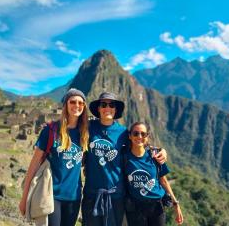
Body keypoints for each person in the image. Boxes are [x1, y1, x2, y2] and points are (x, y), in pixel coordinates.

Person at [81, 92, 167, 226]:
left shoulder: (123, 132)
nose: (107, 108)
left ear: (115, 109)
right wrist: (52, 127)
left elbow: (140, 146)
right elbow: (70, 130)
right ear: (98, 108)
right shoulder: (89, 127)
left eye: (111, 105)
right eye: (103, 104)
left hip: (116, 195)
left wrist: (161, 151)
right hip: (93, 194)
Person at [19, 88, 89, 226]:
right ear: (66, 105)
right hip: (52, 195)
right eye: (73, 102)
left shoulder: (85, 133)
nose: (77, 106)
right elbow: (33, 165)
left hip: (74, 197)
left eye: (80, 103)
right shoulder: (51, 131)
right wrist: (24, 197)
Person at [124, 122, 183, 226]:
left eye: (143, 134)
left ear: (147, 136)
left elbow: (163, 181)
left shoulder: (155, 155)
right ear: (129, 136)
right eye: (135, 133)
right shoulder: (124, 157)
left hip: (156, 207)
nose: (139, 136)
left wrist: (175, 204)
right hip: (135, 208)